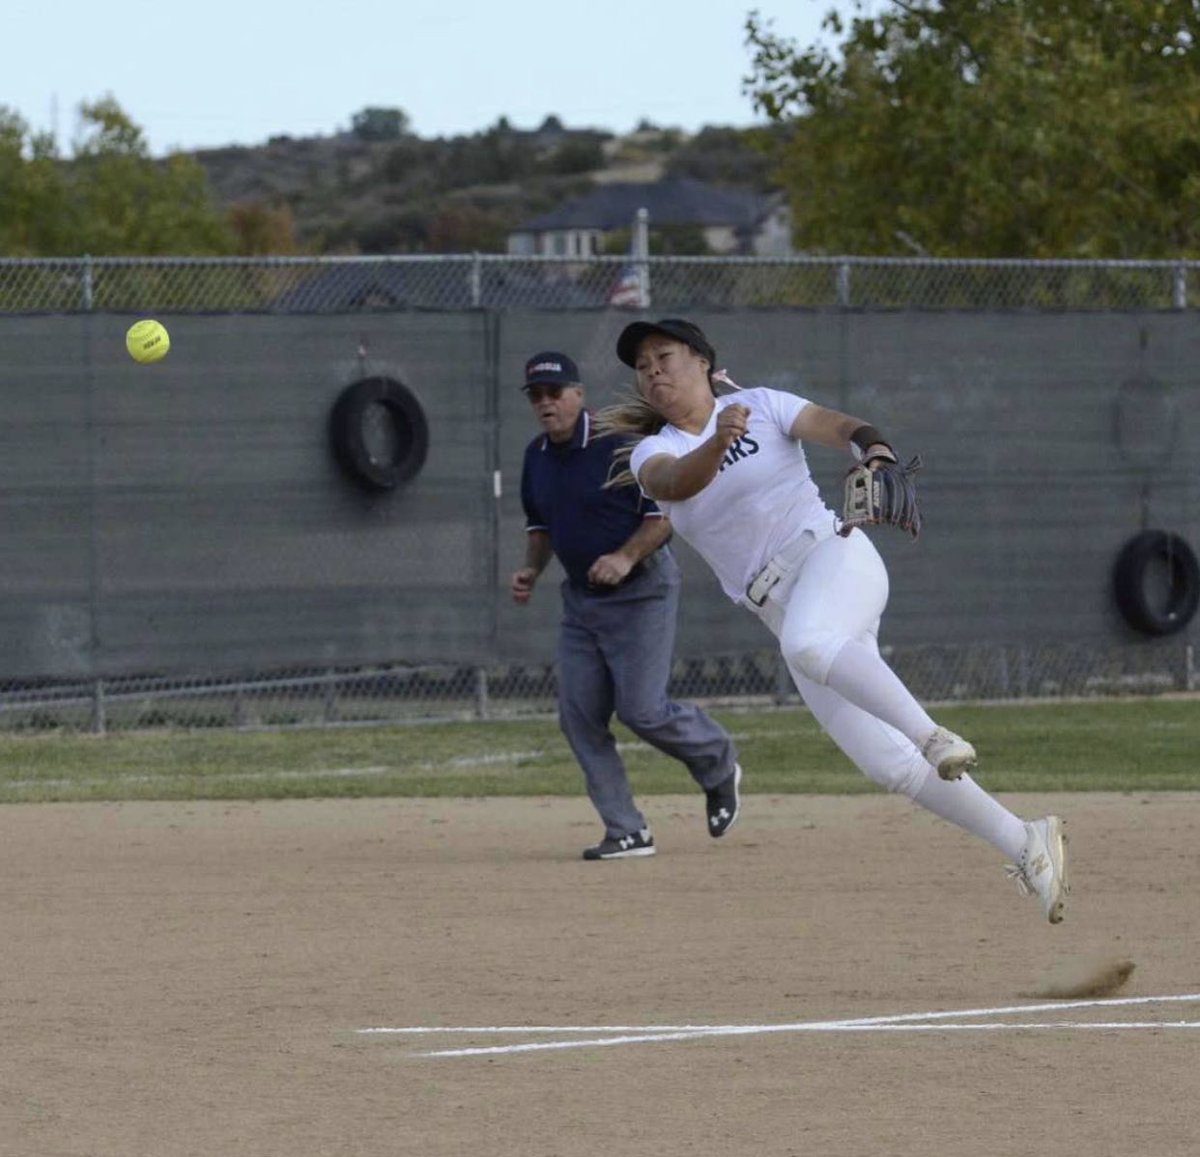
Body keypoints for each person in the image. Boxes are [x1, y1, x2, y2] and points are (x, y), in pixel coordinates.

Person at [594, 318, 1069, 922]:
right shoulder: (654, 451)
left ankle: (933, 735)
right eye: (642, 366)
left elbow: (841, 427)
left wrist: (874, 449)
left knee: (813, 646)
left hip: (831, 557)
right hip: (779, 606)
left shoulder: (762, 405)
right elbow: (676, 484)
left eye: (664, 355)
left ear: (703, 362)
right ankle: (1027, 841)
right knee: (885, 763)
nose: (653, 370)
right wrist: (716, 442)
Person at [511, 349, 742, 861]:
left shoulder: (621, 444)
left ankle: (717, 761)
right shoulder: (537, 457)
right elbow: (541, 526)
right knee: (579, 717)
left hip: (642, 591)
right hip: (581, 601)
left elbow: (663, 515)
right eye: (536, 396)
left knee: (641, 709)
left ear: (578, 394)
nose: (546, 404)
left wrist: (624, 555)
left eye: (555, 393)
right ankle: (627, 829)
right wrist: (532, 568)